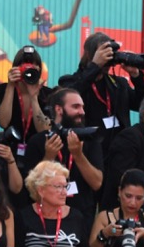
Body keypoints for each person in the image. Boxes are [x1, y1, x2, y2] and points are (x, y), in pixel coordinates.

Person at [58, 32, 144, 158]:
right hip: (88, 151)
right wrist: (95, 66)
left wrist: (136, 76)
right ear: (90, 55)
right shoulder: (70, 81)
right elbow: (71, 94)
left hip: (119, 153)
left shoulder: (119, 84)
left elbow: (142, 104)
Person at [21, 88, 103, 217]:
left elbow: (97, 183)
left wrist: (78, 155)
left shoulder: (90, 140)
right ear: (59, 109)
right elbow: (31, 187)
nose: (81, 112)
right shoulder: (38, 141)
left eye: (82, 107)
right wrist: (49, 156)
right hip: (46, 215)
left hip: (82, 215)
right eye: (76, 107)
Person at [0, 45, 52, 147]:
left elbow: (44, 130)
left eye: (32, 69)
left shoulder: (47, 94)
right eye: (25, 69)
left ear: (39, 70)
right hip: (9, 149)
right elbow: (3, 123)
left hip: (38, 150)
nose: (28, 73)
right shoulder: (4, 89)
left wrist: (34, 98)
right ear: (15, 69)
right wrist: (10, 86)